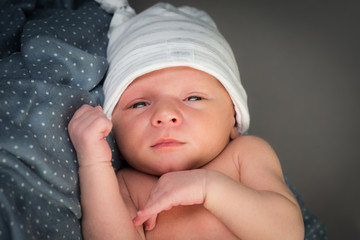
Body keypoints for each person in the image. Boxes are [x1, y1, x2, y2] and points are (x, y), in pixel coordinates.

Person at [68, 2, 304, 239]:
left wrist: (207, 187)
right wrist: (94, 163)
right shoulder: (127, 185)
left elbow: (287, 233)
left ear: (234, 116)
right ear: (114, 127)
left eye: (193, 97)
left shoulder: (244, 155)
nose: (164, 115)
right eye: (139, 104)